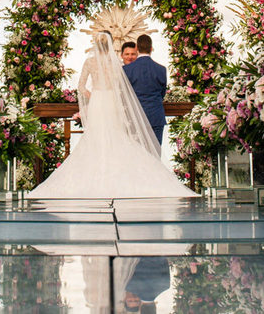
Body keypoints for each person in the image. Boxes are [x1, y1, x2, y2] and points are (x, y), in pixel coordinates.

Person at [28, 31, 195, 199]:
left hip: (97, 102)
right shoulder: (117, 65)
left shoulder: (90, 62)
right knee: (116, 137)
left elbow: (81, 86)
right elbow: (122, 89)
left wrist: (93, 96)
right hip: (112, 102)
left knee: (95, 139)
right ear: (111, 43)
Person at [123, 34, 168, 144]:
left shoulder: (126, 69)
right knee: (156, 154)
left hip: (135, 117)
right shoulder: (161, 69)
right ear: (151, 48)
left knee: (137, 155)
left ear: (137, 48)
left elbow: (124, 94)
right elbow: (162, 93)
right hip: (156, 116)